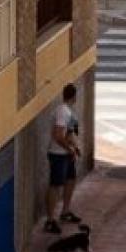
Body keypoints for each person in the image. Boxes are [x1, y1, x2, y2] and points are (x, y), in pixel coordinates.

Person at [42, 83, 84, 233]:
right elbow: (58, 135)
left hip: (66, 154)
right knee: (55, 185)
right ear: (74, 96)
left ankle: (65, 211)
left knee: (70, 180)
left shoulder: (69, 112)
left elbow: (69, 133)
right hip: (58, 154)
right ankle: (50, 220)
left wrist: (75, 147)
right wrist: (70, 149)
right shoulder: (62, 112)